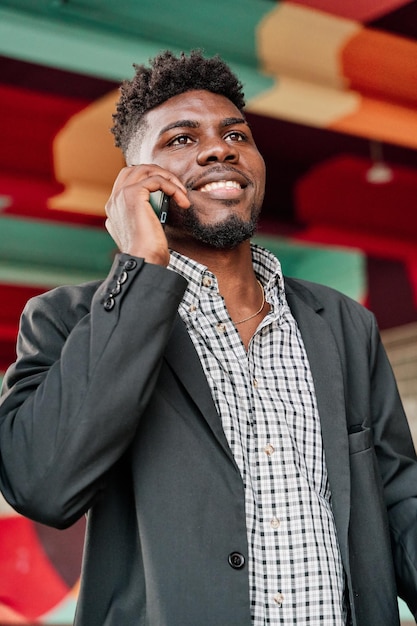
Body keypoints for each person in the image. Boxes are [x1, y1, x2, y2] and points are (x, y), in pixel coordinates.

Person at [0, 50, 416, 626]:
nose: (219, 149)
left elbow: (399, 496)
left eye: (236, 135)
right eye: (179, 140)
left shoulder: (345, 323)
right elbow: (41, 483)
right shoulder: (68, 319)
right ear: (133, 181)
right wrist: (140, 268)